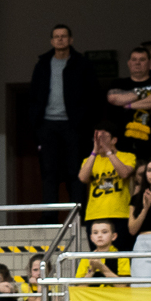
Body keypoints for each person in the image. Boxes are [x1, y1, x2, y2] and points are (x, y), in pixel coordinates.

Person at [29, 24, 99, 209]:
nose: (60, 39)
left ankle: (77, 215)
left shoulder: (82, 64)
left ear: (71, 40)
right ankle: (49, 216)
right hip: (47, 124)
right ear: (52, 41)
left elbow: (93, 95)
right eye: (56, 36)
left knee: (75, 171)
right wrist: (36, 123)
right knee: (49, 171)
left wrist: (84, 121)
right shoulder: (43, 64)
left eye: (63, 36)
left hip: (73, 125)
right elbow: (34, 94)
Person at [78, 123, 136, 249]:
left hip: (120, 214)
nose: (100, 141)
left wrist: (108, 151)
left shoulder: (127, 156)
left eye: (103, 137)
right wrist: (94, 151)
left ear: (114, 140)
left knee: (121, 254)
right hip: (95, 215)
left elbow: (124, 173)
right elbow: (82, 178)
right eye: (97, 138)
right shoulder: (89, 160)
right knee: (98, 255)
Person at [105, 47, 151, 157]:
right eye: (134, 59)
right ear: (129, 63)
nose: (137, 63)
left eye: (142, 59)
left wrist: (130, 105)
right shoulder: (119, 83)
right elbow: (113, 98)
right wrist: (147, 93)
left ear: (149, 64)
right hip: (123, 143)